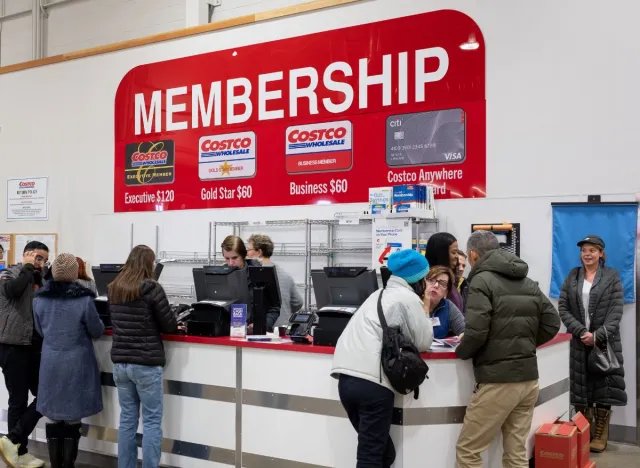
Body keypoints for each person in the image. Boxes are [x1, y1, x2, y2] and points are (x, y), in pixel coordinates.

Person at [455, 231, 560, 468]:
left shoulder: (480, 281)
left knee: (468, 451)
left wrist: (461, 351)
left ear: (473, 254)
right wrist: (523, 344)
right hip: (528, 380)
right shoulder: (526, 280)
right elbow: (552, 322)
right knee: (516, 453)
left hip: (497, 381)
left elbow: (477, 332)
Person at [331, 249, 433, 468]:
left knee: (382, 453)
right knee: (371, 456)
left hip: (346, 382)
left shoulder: (376, 295)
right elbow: (425, 341)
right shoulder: (408, 299)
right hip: (373, 385)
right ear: (419, 278)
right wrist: (425, 306)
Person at [108, 245, 177, 468]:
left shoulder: (114, 288)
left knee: (127, 420)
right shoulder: (152, 288)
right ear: (149, 264)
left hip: (121, 364)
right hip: (146, 364)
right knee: (151, 421)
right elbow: (169, 326)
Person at [33, 253, 104, 468]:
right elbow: (97, 330)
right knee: (73, 416)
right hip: (77, 363)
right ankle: (68, 465)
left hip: (50, 362)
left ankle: (55, 464)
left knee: (53, 416)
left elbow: (39, 330)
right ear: (74, 274)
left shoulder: (39, 300)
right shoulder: (84, 300)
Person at [558, 235, 626, 453]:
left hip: (604, 342)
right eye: (584, 250)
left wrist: (597, 335)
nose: (587, 254)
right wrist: (580, 332)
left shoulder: (611, 276)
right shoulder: (572, 275)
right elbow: (563, 307)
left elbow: (616, 311)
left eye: (592, 250)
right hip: (578, 342)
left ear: (601, 254)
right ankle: (583, 430)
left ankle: (600, 433)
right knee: (581, 387)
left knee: (603, 386)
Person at [0, 241, 50, 468]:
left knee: (46, 396)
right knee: (18, 402)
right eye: (38, 258)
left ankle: (12, 441)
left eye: (44, 260)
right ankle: (18, 453)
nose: (41, 263)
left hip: (35, 346)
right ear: (27, 255)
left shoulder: (40, 278)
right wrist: (28, 268)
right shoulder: (10, 273)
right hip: (12, 346)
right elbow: (13, 290)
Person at [221, 235, 280, 332]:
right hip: (229, 332)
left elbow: (274, 308)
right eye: (227, 258)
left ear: (243, 255)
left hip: (255, 333)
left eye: (234, 258)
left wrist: (262, 325)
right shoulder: (221, 276)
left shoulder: (261, 273)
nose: (230, 263)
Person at [247, 234, 303, 327]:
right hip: (284, 329)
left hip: (264, 330)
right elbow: (298, 302)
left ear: (259, 252)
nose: (247, 253)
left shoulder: (253, 274)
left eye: (249, 250)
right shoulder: (285, 275)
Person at [425, 232, 464, 311]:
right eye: (453, 252)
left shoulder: (451, 279)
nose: (457, 256)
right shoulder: (427, 285)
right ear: (441, 254)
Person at [423, 266, 465, 339]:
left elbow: (465, 330)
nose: (436, 285)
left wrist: (463, 336)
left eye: (442, 283)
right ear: (424, 283)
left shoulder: (448, 306)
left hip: (439, 350)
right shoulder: (414, 302)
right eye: (431, 280)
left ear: (446, 293)